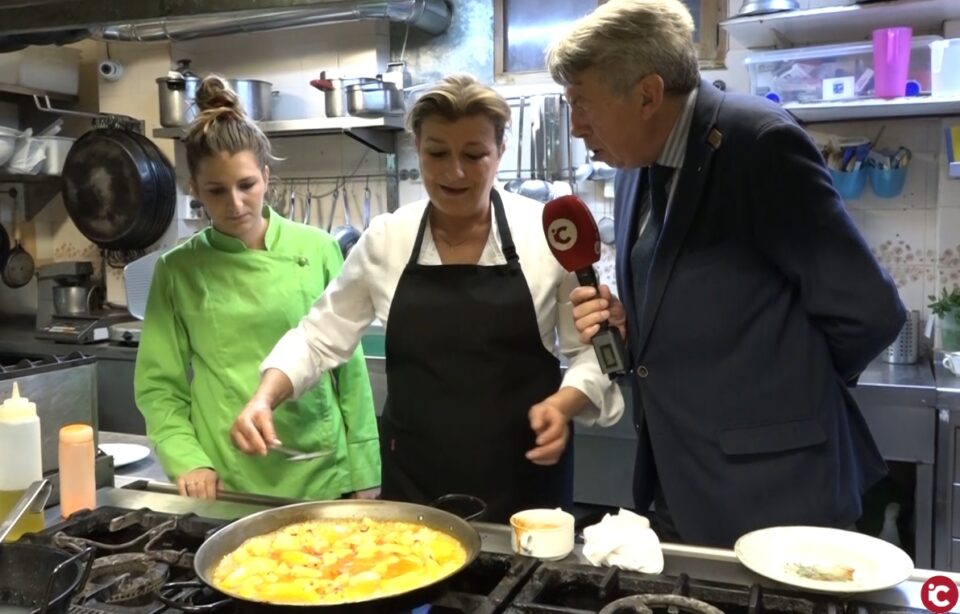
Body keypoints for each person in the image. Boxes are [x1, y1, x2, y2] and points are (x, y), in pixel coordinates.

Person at [547, 0, 906, 547]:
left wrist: (788, 382)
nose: (576, 127)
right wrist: (631, 328)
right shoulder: (634, 167)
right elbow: (697, 303)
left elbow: (871, 313)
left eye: (582, 104)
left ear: (646, 94)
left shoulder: (757, 143)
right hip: (679, 483)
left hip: (780, 492)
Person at [230, 74, 623, 522]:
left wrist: (563, 404)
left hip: (526, 482)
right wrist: (264, 397)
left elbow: (590, 354)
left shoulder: (546, 235)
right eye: (437, 153)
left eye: (474, 155)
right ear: (417, 147)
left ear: (500, 153)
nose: (455, 171)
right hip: (416, 485)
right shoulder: (386, 240)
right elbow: (318, 337)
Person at [134, 76, 380, 501]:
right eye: (216, 190)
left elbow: (350, 370)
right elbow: (160, 386)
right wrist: (187, 458)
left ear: (266, 176)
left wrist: (364, 468)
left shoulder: (318, 249)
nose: (235, 203)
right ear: (194, 189)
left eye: (246, 185)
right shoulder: (178, 270)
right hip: (231, 474)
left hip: (321, 469)